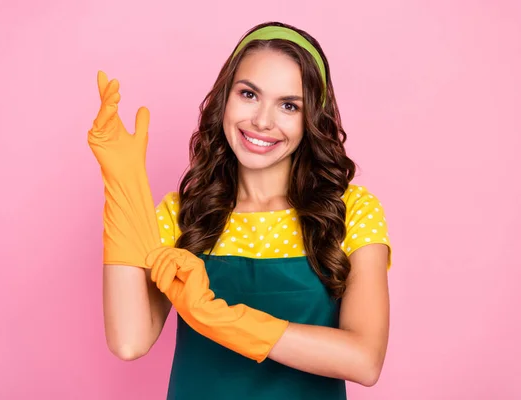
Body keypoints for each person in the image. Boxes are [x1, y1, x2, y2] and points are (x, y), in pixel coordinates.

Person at [89, 21, 392, 400]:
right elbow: (129, 340)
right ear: (224, 98)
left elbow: (364, 360)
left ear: (311, 117)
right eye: (249, 94)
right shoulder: (183, 214)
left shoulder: (350, 211)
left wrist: (217, 316)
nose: (262, 121)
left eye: (288, 105)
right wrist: (122, 182)